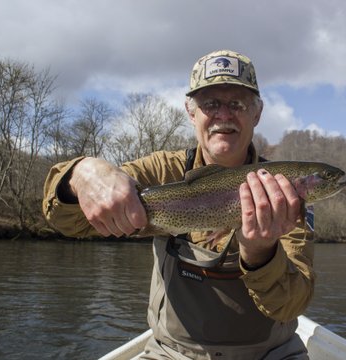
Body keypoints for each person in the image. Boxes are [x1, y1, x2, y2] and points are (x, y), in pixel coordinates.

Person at [43, 50, 315, 359]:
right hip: (172, 353)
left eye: (237, 104)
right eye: (210, 104)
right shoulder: (161, 173)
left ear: (257, 113)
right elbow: (67, 222)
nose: (223, 115)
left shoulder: (282, 191)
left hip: (271, 354)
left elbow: (293, 303)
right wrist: (81, 175)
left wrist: (260, 253)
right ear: (191, 112)